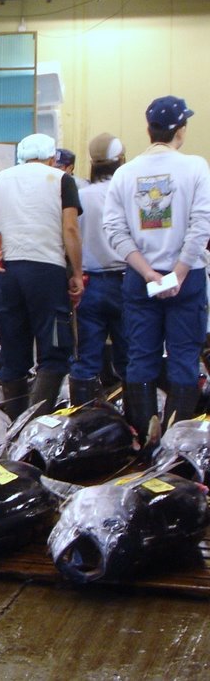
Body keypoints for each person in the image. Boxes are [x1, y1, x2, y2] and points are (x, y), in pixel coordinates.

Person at [104, 96, 210, 434]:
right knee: (183, 358)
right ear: (180, 130)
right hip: (187, 277)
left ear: (149, 130)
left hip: (139, 278)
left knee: (140, 357)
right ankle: (176, 442)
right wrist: (178, 272)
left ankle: (145, 441)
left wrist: (148, 272)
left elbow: (114, 231)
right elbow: (201, 224)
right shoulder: (195, 166)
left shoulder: (125, 172)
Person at [0, 133, 84, 418]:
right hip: (47, 272)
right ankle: (35, 424)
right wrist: (76, 272)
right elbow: (70, 230)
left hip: (8, 271)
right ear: (52, 158)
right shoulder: (61, 179)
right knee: (53, 349)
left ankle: (14, 423)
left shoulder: (1, 179)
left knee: (13, 349)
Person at [68, 133, 130, 406]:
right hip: (128, 281)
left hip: (89, 283)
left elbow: (70, 238)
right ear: (121, 161)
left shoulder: (81, 196)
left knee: (85, 361)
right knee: (130, 359)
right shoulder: (127, 194)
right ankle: (137, 426)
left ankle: (82, 423)